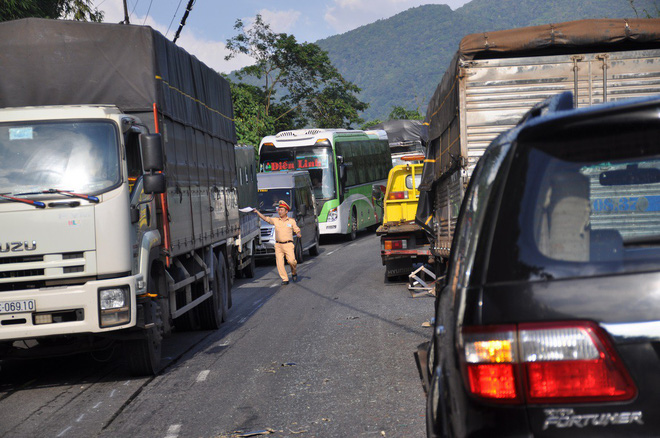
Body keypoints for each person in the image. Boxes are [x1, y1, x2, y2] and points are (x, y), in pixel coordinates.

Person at [254, 200, 302, 285]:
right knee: (279, 263)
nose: (280, 212)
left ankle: (293, 272)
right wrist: (257, 212)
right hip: (278, 245)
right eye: (279, 210)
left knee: (292, 261)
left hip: (288, 244)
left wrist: (298, 233)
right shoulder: (276, 220)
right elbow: (265, 219)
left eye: (282, 210)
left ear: (286, 211)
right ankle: (285, 279)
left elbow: (296, 229)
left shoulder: (291, 221)